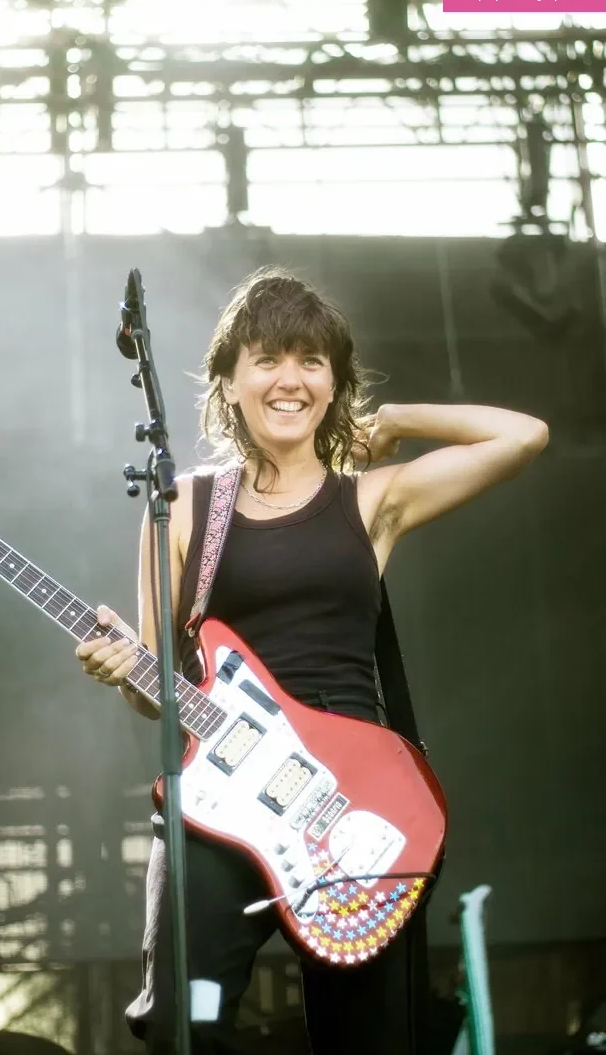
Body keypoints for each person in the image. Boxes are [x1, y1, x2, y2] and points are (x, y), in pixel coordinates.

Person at [75, 268, 549, 1055]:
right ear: (229, 380)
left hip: (354, 804)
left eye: (312, 361)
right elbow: (156, 689)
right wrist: (126, 666)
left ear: (334, 385)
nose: (290, 379)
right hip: (220, 802)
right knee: (178, 1024)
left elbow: (523, 435)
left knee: (368, 1036)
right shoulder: (185, 504)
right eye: (267, 359)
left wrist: (393, 420)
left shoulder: (371, 499)